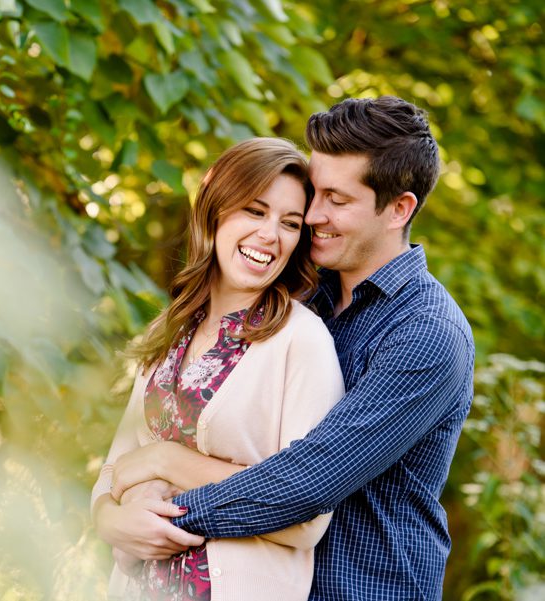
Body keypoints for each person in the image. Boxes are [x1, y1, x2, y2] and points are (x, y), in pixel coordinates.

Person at [106, 96, 475, 600]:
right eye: (315, 193)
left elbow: (306, 483)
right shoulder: (298, 295)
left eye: (337, 200)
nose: (313, 214)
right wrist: (114, 514)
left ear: (399, 209)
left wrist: (161, 489)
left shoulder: (427, 333)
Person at [91, 138, 345, 600]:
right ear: (214, 211)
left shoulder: (301, 341)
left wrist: (167, 462)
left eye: (290, 223)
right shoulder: (170, 329)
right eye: (254, 210)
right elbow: (113, 472)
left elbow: (307, 517)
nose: (271, 235)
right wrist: (111, 520)